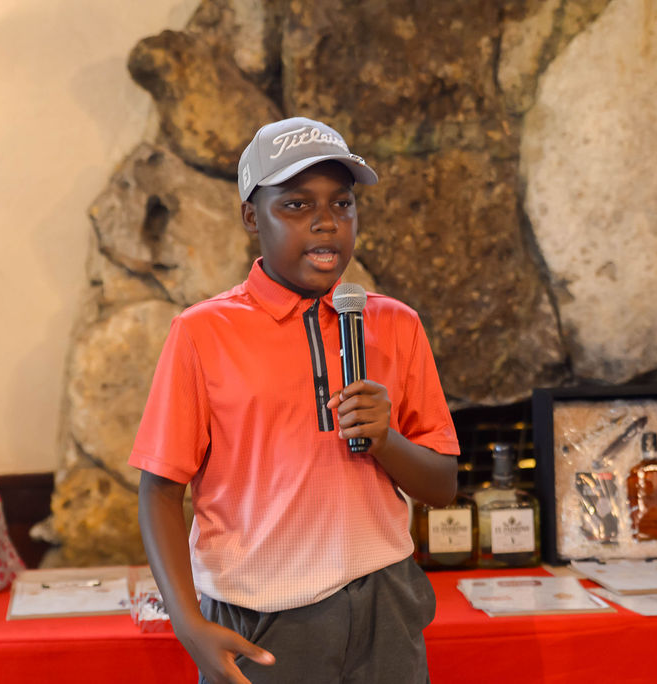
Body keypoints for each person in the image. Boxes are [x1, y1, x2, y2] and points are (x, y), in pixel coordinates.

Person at [130, 116, 460, 684]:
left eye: (342, 204)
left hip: (386, 604)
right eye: (297, 205)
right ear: (251, 216)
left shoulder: (395, 324)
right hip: (263, 615)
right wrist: (187, 622)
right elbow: (160, 489)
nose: (326, 222)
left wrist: (386, 440)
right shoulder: (202, 333)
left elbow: (442, 486)